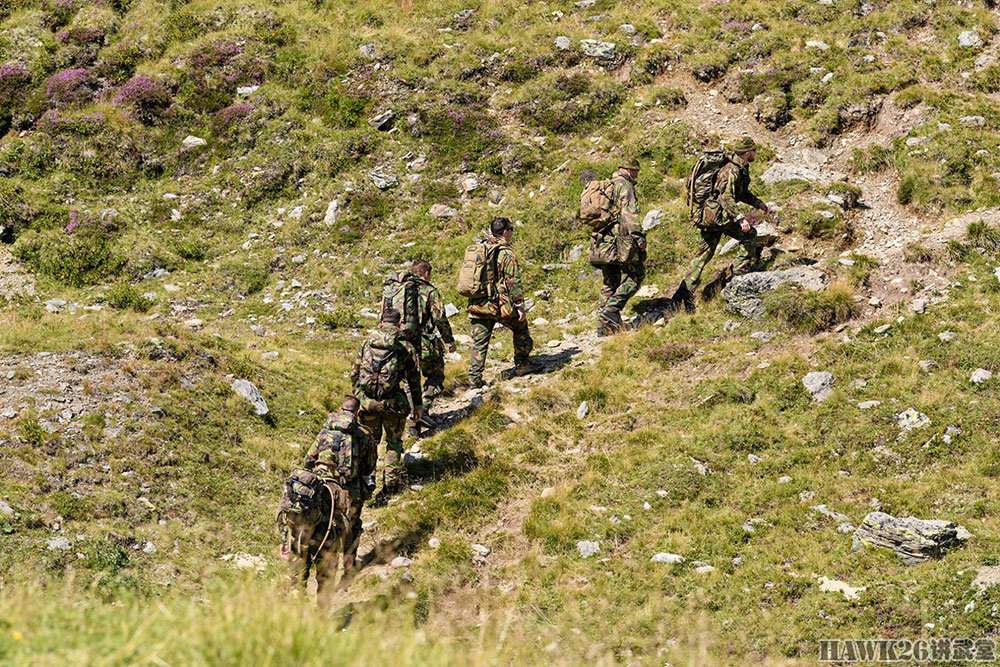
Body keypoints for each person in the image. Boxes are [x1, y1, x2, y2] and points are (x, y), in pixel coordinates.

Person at [279, 396, 375, 594]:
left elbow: (308, 459)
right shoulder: (365, 435)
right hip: (348, 491)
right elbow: (369, 467)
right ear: (357, 413)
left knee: (309, 528)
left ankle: (298, 582)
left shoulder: (325, 430)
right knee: (352, 528)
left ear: (340, 409)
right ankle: (348, 571)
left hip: (321, 487)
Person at [673, 136, 769, 311]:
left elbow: (741, 193)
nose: (755, 154)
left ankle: (681, 296)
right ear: (747, 152)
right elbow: (726, 197)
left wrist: (758, 203)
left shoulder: (740, 168)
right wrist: (740, 218)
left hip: (711, 217)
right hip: (719, 217)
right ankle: (739, 278)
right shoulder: (731, 170)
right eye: (754, 151)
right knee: (749, 235)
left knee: (703, 254)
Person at [351, 308, 423, 500]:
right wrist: (417, 405)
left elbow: (354, 374)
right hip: (392, 404)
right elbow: (413, 379)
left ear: (381, 322)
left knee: (369, 444)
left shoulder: (367, 343)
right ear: (398, 324)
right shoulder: (404, 346)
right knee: (393, 444)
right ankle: (391, 486)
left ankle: (366, 484)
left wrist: (361, 399)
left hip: (368, 405)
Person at [466, 217, 539, 389]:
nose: (512, 232)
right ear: (506, 231)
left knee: (479, 342)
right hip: (499, 305)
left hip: (478, 303)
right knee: (520, 328)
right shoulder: (506, 253)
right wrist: (520, 306)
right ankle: (522, 364)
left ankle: (474, 379)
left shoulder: (481, 249)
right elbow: (513, 282)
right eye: (511, 229)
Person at [592, 157, 647, 336]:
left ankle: (604, 326)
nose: (637, 174)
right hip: (620, 241)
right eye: (635, 171)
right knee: (636, 275)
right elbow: (629, 213)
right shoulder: (625, 186)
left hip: (601, 241)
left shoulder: (605, 185)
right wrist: (638, 237)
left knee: (610, 280)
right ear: (628, 169)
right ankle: (611, 310)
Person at [411, 259, 456, 412]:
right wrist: (449, 341)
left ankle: (413, 422)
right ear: (427, 273)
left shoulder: (400, 290)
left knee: (409, 381)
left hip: (401, 344)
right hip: (424, 343)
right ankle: (424, 408)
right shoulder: (430, 292)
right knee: (436, 375)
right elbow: (439, 319)